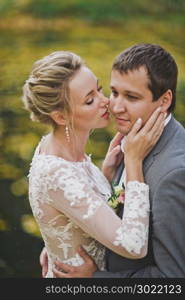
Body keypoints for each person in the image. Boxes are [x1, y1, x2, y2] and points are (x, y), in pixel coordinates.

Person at [22, 50, 165, 278]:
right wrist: (134, 162)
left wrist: (106, 176)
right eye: (90, 100)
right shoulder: (56, 172)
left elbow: (80, 212)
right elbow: (134, 245)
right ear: (60, 117)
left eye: (99, 89)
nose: (106, 101)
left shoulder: (61, 150)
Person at [48, 43, 185, 278]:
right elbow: (118, 214)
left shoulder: (173, 174)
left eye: (131, 97)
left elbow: (172, 279)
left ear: (164, 100)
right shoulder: (132, 139)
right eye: (114, 92)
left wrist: (95, 280)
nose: (115, 106)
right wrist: (62, 244)